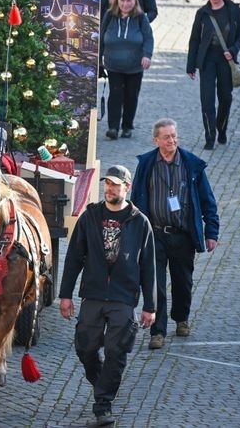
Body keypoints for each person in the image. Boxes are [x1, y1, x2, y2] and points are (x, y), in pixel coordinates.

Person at [58, 165, 156, 428]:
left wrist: (150, 305)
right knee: (85, 348)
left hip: (124, 298)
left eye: (116, 184)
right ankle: (102, 380)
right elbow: (73, 259)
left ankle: (103, 405)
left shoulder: (140, 222)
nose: (110, 188)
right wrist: (65, 295)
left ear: (127, 187)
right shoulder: (90, 216)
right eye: (107, 184)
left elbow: (149, 266)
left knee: (117, 351)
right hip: (93, 294)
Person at [131, 118, 220, 350]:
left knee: (183, 282)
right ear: (156, 140)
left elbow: (207, 201)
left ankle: (181, 318)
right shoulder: (147, 164)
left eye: (174, 136)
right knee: (155, 284)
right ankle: (157, 331)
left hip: (182, 235)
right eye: (167, 137)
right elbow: (136, 201)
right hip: (155, 235)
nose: (172, 140)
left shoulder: (191, 165)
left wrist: (212, 232)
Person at [186, 0, 240, 149]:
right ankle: (210, 136)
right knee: (207, 99)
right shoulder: (203, 13)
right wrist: (191, 65)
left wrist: (232, 50)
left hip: (226, 60)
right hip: (207, 60)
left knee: (225, 98)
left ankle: (222, 128)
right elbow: (194, 39)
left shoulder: (233, 10)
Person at [100, 0, 153, 140]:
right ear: (118, 1)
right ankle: (113, 127)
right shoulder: (110, 15)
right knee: (115, 95)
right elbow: (102, 36)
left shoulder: (141, 17)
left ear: (134, 1)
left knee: (131, 96)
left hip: (134, 66)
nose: (125, 4)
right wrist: (99, 60)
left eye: (129, 0)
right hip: (113, 64)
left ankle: (127, 126)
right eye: (122, 0)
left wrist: (147, 55)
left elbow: (148, 38)